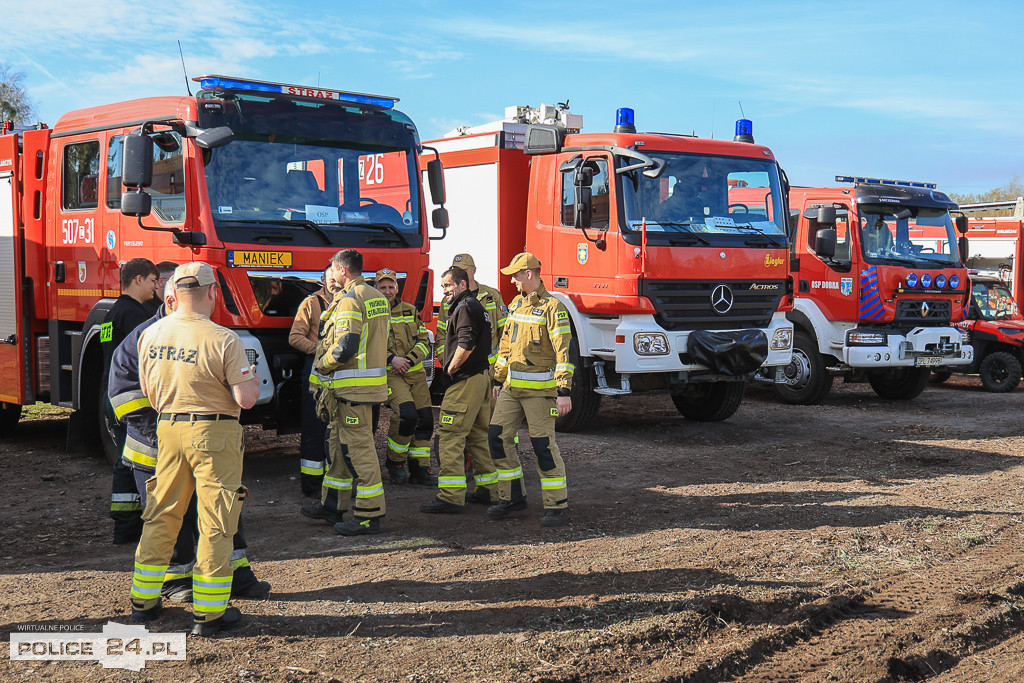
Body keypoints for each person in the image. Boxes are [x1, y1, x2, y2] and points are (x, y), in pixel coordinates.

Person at [111, 279, 270, 605]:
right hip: (156, 448)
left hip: (189, 442)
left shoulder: (192, 334)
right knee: (174, 519)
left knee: (222, 513)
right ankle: (176, 582)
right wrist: (161, 433)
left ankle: (235, 575)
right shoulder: (145, 337)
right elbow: (123, 395)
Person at [301, 249, 390, 536]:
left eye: (333, 270)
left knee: (359, 453)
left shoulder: (352, 299)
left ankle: (369, 514)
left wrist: (322, 366)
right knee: (337, 447)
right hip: (361, 388)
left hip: (353, 389)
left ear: (342, 270)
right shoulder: (376, 296)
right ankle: (332, 506)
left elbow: (346, 346)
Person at [488, 252, 574, 528]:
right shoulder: (515, 304)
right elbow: (505, 346)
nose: (512, 280)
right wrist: (497, 379)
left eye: (515, 275)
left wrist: (564, 391)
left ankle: (556, 505)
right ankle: (512, 497)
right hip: (512, 389)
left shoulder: (553, 307)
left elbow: (563, 352)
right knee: (497, 436)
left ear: (529, 274)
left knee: (543, 446)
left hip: (541, 393)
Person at [421, 266, 498, 513]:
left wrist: (450, 370)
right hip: (481, 378)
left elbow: (465, 343)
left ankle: (451, 497)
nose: (444, 291)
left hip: (465, 380)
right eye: (443, 287)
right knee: (477, 435)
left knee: (450, 436)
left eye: (449, 285)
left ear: (463, 284)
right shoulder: (476, 307)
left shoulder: (464, 308)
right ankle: (489, 490)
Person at [104, 258, 160, 544]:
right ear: (138, 279)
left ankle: (124, 524)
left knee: (124, 460)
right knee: (133, 461)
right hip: (131, 400)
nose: (156, 287)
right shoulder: (137, 317)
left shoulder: (112, 313)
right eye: (153, 280)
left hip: (113, 396)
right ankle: (129, 527)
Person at [375, 268, 437, 485]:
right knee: (407, 415)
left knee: (425, 421)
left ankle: (420, 468)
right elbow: (370, 345)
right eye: (382, 287)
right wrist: (393, 360)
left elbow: (424, 340)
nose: (387, 291)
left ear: (397, 288)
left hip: (415, 374)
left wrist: (409, 360)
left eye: (390, 286)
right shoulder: (372, 313)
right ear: (376, 289)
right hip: (392, 375)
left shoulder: (410, 310)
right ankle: (395, 462)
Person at [288, 267, 340, 496]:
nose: (334, 284)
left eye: (337, 280)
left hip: (341, 371)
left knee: (338, 430)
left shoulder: (349, 303)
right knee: (314, 427)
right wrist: (319, 351)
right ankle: (311, 487)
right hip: (317, 371)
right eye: (330, 280)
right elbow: (295, 337)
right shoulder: (311, 303)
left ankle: (335, 483)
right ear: (322, 280)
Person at [435, 254, 507, 374]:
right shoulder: (447, 301)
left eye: (463, 270)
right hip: (461, 371)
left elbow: (505, 332)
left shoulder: (492, 295)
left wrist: (500, 366)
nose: (459, 274)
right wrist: (447, 363)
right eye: (456, 271)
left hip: (490, 369)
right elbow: (442, 336)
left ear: (474, 270)